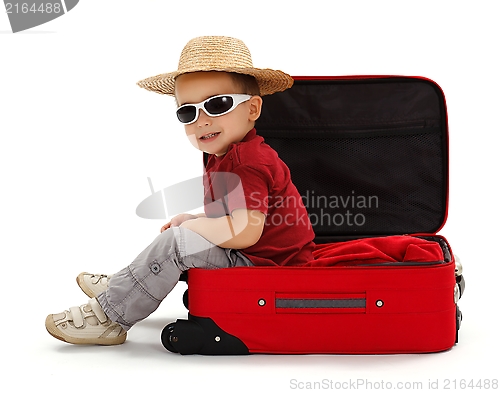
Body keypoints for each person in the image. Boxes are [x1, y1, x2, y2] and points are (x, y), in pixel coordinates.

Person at [45, 36, 316, 345]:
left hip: (270, 270)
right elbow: (238, 216)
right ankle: (127, 284)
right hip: (257, 258)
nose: (201, 121)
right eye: (188, 111)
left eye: (217, 104)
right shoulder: (225, 155)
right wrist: (194, 217)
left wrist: (194, 226)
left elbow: (245, 233)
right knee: (180, 233)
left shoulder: (248, 161)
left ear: (252, 108)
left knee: (177, 242)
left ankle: (112, 315)